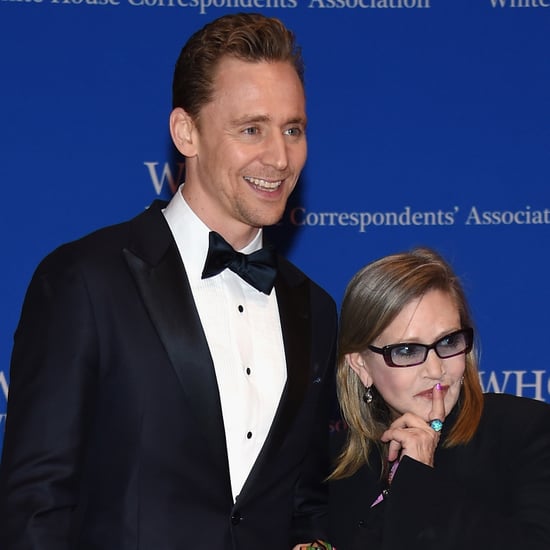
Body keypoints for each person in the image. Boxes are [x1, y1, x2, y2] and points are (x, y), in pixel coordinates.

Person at [0, 13, 337, 550]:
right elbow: (36, 505)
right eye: (252, 128)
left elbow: (305, 504)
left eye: (292, 129)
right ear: (186, 131)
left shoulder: (314, 308)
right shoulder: (84, 281)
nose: (279, 156)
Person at [328, 247, 550, 550]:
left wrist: (423, 487)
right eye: (407, 350)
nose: (436, 369)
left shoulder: (526, 432)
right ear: (361, 365)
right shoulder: (336, 467)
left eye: (448, 342)